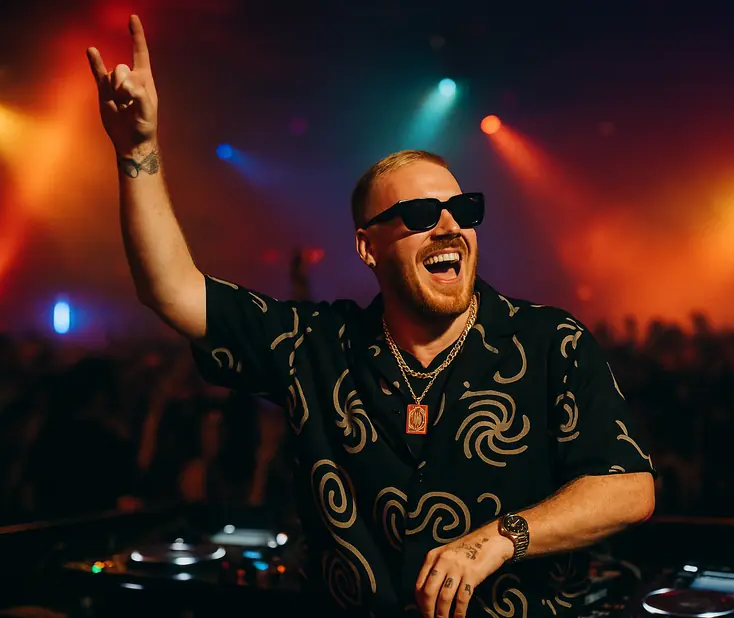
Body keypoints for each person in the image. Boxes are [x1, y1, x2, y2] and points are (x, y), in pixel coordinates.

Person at [86, 16, 655, 618]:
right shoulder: (317, 346)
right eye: (420, 214)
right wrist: (138, 152)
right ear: (367, 246)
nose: (449, 226)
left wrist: (498, 539)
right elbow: (172, 291)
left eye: (462, 209)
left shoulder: (549, 341)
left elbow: (629, 488)